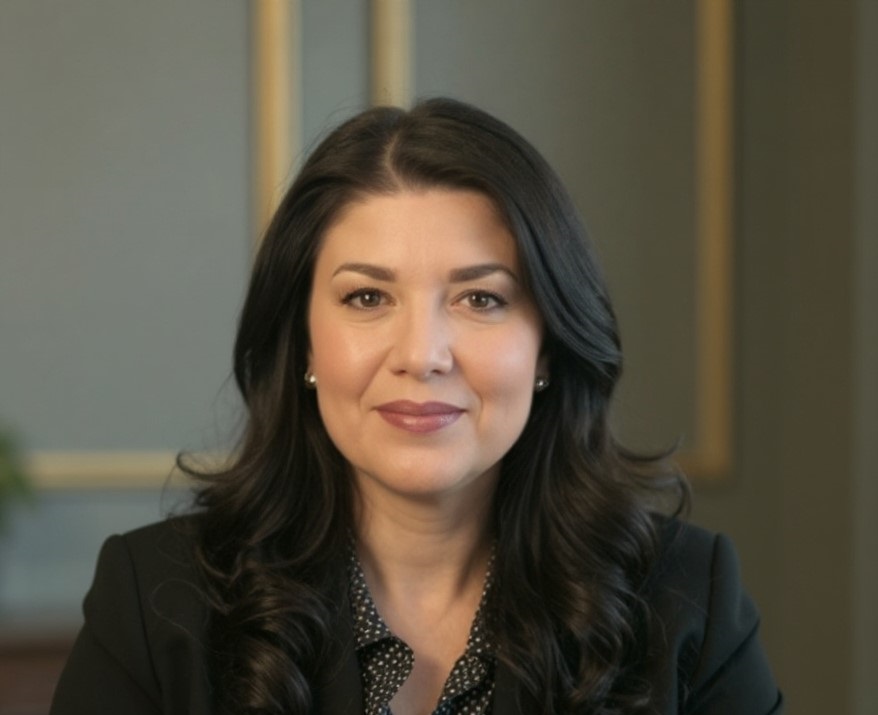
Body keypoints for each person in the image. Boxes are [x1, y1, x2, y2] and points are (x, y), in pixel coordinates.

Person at [50, 98, 783, 715]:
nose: (422, 353)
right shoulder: (156, 601)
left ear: (548, 347)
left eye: (480, 299)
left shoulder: (686, 597)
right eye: (368, 297)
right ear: (304, 342)